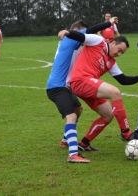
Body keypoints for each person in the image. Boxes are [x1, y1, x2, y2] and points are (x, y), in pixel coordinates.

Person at [58, 30, 138, 152]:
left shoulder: (111, 62)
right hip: (80, 81)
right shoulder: (98, 42)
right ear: (113, 42)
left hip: (88, 85)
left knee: (108, 115)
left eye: (122, 53)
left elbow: (123, 79)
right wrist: (68, 33)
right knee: (115, 92)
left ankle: (84, 143)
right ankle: (126, 132)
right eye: (119, 50)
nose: (119, 54)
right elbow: (81, 36)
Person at [47, 18, 119, 163]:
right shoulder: (70, 39)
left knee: (78, 109)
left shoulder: (73, 43)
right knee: (71, 116)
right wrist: (109, 22)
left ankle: (65, 140)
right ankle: (73, 154)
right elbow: (92, 31)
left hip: (66, 87)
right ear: (77, 31)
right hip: (58, 87)